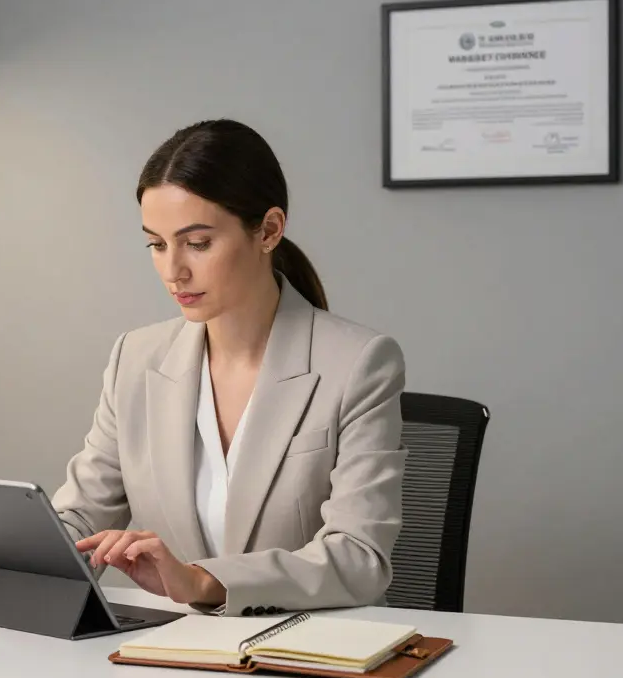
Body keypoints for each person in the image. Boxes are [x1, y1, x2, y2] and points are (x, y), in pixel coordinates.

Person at [51, 119, 406, 617]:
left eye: (197, 243)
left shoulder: (359, 363)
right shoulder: (136, 357)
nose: (173, 270)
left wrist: (202, 582)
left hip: (304, 654)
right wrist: (30, 553)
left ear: (268, 230)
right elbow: (83, 513)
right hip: (173, 657)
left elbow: (359, 558)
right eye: (156, 244)